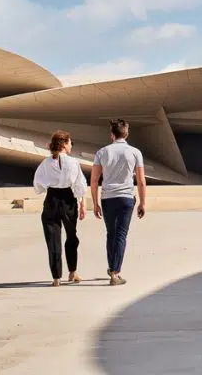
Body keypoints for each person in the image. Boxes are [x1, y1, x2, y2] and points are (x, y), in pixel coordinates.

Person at [91, 119, 146, 286]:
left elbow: (94, 180)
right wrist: (142, 202)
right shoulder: (135, 152)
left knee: (111, 233)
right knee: (121, 234)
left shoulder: (102, 152)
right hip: (126, 197)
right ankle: (115, 272)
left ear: (112, 135)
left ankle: (112, 267)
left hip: (108, 198)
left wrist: (95, 203)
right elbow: (141, 181)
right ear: (126, 134)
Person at [33, 130, 87, 286]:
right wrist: (82, 204)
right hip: (68, 200)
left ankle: (56, 277)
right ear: (64, 144)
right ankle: (72, 271)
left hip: (51, 199)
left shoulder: (46, 163)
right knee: (71, 236)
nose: (71, 145)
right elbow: (80, 186)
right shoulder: (74, 162)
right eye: (70, 142)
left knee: (52, 239)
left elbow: (38, 186)